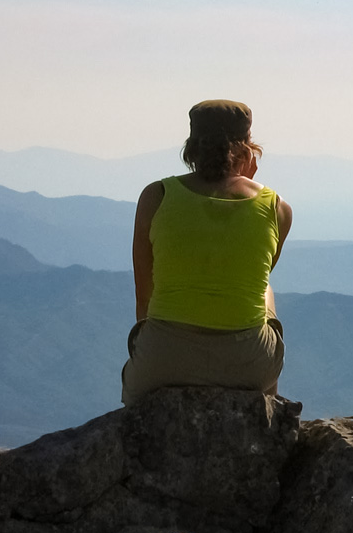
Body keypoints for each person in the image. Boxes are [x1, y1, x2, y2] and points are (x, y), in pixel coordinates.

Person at [121, 99, 293, 405]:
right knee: (263, 287)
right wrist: (248, 187)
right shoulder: (276, 208)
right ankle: (268, 414)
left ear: (191, 147)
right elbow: (255, 275)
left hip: (163, 361)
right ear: (248, 149)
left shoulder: (155, 197)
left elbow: (144, 299)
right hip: (249, 364)